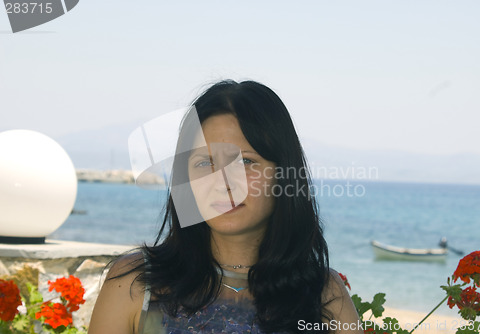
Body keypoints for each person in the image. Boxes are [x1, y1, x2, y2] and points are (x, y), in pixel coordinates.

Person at [88, 80, 362, 334]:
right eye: (204, 163)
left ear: (284, 174)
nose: (222, 182)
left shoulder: (324, 296)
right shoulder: (137, 285)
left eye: (245, 162)